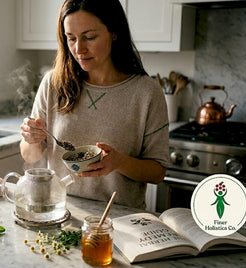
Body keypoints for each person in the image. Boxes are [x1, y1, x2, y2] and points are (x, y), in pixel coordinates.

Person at [19, 0, 169, 209]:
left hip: (119, 217)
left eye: (90, 37)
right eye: (71, 39)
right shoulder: (54, 83)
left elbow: (158, 172)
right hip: (61, 211)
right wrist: (31, 139)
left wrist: (120, 162)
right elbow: (30, 154)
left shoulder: (146, 92)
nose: (79, 49)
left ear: (114, 33)